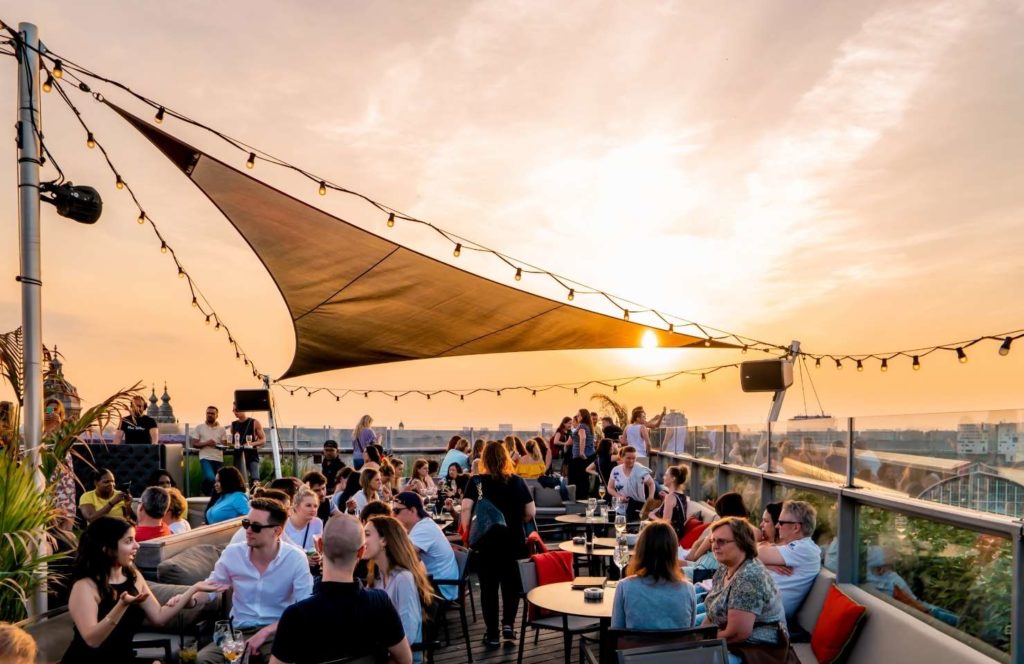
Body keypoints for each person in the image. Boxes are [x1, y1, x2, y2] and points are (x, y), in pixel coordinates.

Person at [61, 516, 221, 662]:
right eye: (128, 541)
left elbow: (159, 617)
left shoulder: (133, 576)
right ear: (106, 548)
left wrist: (193, 590)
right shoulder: (85, 586)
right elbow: (92, 640)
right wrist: (121, 605)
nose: (136, 545)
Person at [182, 498, 313, 663]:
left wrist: (266, 632)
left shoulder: (295, 558)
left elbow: (305, 610)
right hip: (237, 633)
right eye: (246, 524)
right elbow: (211, 589)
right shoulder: (233, 553)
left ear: (277, 531)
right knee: (201, 660)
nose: (248, 530)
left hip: (277, 634)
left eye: (256, 527)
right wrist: (189, 600)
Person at [269, 514, 412, 664]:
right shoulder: (380, 602)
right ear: (361, 552)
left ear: (319, 546)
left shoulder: (295, 616)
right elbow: (405, 660)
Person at [461, 441, 536, 647]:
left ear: (484, 459)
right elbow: (531, 512)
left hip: (486, 544)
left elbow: (466, 508)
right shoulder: (517, 481)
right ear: (505, 458)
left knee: (488, 588)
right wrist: (516, 520)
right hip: (513, 540)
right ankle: (508, 625)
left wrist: (467, 532)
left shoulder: (476, 482)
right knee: (510, 585)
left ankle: (492, 634)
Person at [702, 517, 787, 663]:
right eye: (713, 541)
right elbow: (712, 611)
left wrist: (700, 643)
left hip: (756, 648)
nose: (715, 546)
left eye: (722, 541)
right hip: (729, 635)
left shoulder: (749, 577)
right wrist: (699, 634)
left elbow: (737, 634)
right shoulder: (726, 567)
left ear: (742, 543)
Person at [364, 516, 435, 657]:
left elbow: (408, 634)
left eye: (366, 534)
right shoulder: (376, 576)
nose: (361, 540)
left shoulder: (403, 578)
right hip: (381, 653)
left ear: (384, 541)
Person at [612, 521, 696, 629]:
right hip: (675, 646)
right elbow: (690, 631)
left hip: (637, 646)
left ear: (641, 550)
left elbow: (616, 631)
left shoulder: (625, 587)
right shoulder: (688, 590)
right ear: (673, 552)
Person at [755, 500, 821, 618]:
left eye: (781, 523)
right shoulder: (796, 548)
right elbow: (753, 552)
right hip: (760, 607)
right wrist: (766, 564)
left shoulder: (803, 549)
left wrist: (761, 556)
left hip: (767, 616)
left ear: (796, 527)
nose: (776, 526)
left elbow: (752, 551)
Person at [392, 492, 459, 601]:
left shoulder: (423, 529)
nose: (393, 515)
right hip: (438, 583)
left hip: (440, 589)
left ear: (413, 510)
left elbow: (402, 557)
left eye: (396, 511)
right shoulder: (422, 524)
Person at [607, 446, 655, 523]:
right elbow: (610, 488)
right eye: (628, 458)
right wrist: (619, 497)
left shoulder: (640, 469)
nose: (631, 460)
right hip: (620, 508)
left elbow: (651, 483)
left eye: (634, 458)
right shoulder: (616, 470)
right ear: (622, 457)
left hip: (638, 508)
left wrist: (650, 499)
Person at [191, 405, 227, 495]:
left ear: (217, 415)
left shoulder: (222, 429)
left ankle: (212, 496)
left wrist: (216, 445)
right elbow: (194, 444)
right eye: (208, 413)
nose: (209, 415)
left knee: (219, 481)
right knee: (210, 478)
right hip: (205, 457)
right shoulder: (199, 427)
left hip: (218, 458)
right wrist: (206, 443)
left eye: (212, 413)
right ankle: (205, 491)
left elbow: (224, 446)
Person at [285, 486, 324, 566]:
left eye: (315, 506)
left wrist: (318, 557)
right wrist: (303, 559)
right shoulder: (284, 524)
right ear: (296, 507)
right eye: (308, 505)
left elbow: (318, 549)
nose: (313, 509)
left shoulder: (317, 523)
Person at [650, 465, 690, 539]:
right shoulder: (681, 495)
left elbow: (666, 523)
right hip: (678, 534)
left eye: (666, 475)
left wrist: (653, 516)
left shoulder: (670, 497)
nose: (663, 477)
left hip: (669, 537)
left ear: (673, 478)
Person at [230, 403, 266, 484]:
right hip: (238, 455)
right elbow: (233, 441)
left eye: (237, 410)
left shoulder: (254, 422)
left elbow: (263, 440)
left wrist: (251, 444)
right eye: (233, 410)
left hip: (252, 455)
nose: (235, 412)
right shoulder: (233, 424)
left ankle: (257, 495)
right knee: (239, 481)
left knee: (255, 479)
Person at [568, 408, 597, 499]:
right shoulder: (589, 426)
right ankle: (584, 498)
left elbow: (583, 437)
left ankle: (579, 498)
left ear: (583, 416)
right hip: (590, 455)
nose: (577, 417)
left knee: (577, 479)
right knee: (584, 478)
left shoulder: (582, 426)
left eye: (578, 415)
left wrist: (581, 452)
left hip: (581, 457)